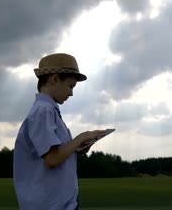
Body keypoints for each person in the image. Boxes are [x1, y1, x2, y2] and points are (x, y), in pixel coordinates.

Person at [13, 53, 106, 210]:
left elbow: (56, 154)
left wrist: (76, 148)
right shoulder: (43, 111)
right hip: (50, 205)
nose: (71, 93)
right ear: (54, 79)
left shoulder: (48, 111)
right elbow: (52, 159)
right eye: (70, 86)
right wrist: (81, 137)